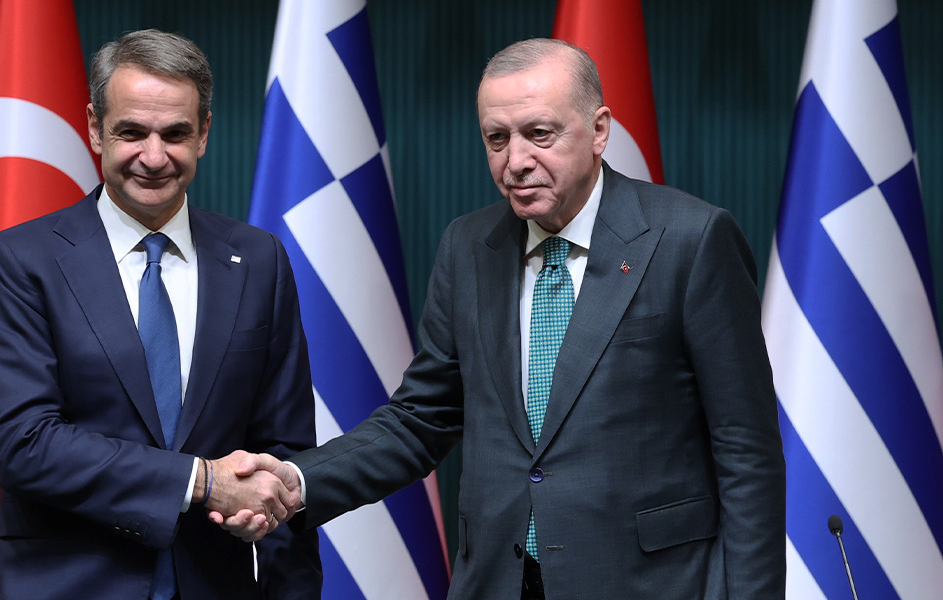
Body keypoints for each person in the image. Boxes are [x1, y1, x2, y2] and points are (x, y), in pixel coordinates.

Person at [218, 38, 785, 598]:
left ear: (599, 131)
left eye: (539, 134)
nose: (515, 162)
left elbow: (745, 449)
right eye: (497, 138)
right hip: (499, 580)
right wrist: (298, 481)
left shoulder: (691, 239)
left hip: (650, 584)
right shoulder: (468, 246)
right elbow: (422, 417)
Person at [0, 29, 320, 600]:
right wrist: (200, 481)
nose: (154, 158)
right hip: (71, 586)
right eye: (131, 132)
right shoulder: (20, 260)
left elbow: (285, 458)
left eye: (175, 134)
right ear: (94, 128)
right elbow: (25, 443)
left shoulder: (258, 260)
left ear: (204, 133)